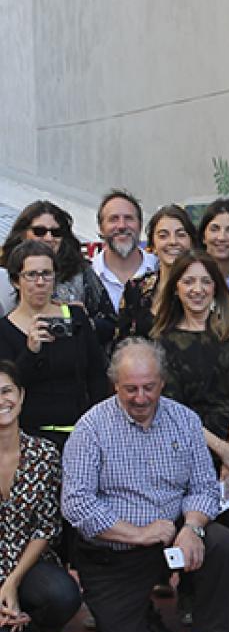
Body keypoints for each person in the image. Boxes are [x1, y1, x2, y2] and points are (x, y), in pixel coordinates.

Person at [61, 339, 229, 632]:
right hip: (114, 551)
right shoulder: (90, 429)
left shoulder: (185, 420)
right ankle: (140, 612)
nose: (141, 398)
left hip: (172, 535)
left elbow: (204, 486)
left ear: (162, 383)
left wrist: (191, 527)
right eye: (130, 389)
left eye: (149, 387)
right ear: (115, 384)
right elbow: (76, 504)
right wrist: (139, 534)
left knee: (222, 543)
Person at [152, 250, 229, 632]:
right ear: (176, 288)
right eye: (188, 282)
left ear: (216, 285)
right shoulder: (162, 340)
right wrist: (219, 453)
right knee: (200, 520)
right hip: (190, 441)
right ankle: (195, 597)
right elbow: (175, 409)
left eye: (205, 281)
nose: (197, 290)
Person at [0, 361, 84, 632]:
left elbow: (46, 527)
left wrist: (10, 584)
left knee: (63, 594)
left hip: (29, 567)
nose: (1, 401)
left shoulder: (44, 453)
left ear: (21, 396)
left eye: (6, 391)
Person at [0, 240, 110, 450]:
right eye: (31, 275)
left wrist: (99, 425)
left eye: (46, 274)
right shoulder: (4, 330)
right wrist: (30, 352)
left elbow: (96, 374)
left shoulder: (76, 317)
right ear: (16, 281)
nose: (40, 282)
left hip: (80, 433)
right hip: (29, 437)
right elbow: (8, 388)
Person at [0, 201, 116, 347]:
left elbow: (111, 324)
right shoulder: (4, 273)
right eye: (40, 231)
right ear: (23, 234)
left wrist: (82, 321)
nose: (49, 238)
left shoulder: (81, 272)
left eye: (56, 232)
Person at [117, 204, 200, 342]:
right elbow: (121, 345)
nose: (173, 242)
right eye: (163, 236)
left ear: (191, 242)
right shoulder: (135, 289)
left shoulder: (205, 288)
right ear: (153, 246)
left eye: (180, 235)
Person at [91, 190, 156, 311]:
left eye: (129, 218)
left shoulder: (159, 269)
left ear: (140, 225)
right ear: (101, 228)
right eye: (113, 219)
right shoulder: (87, 275)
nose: (122, 226)